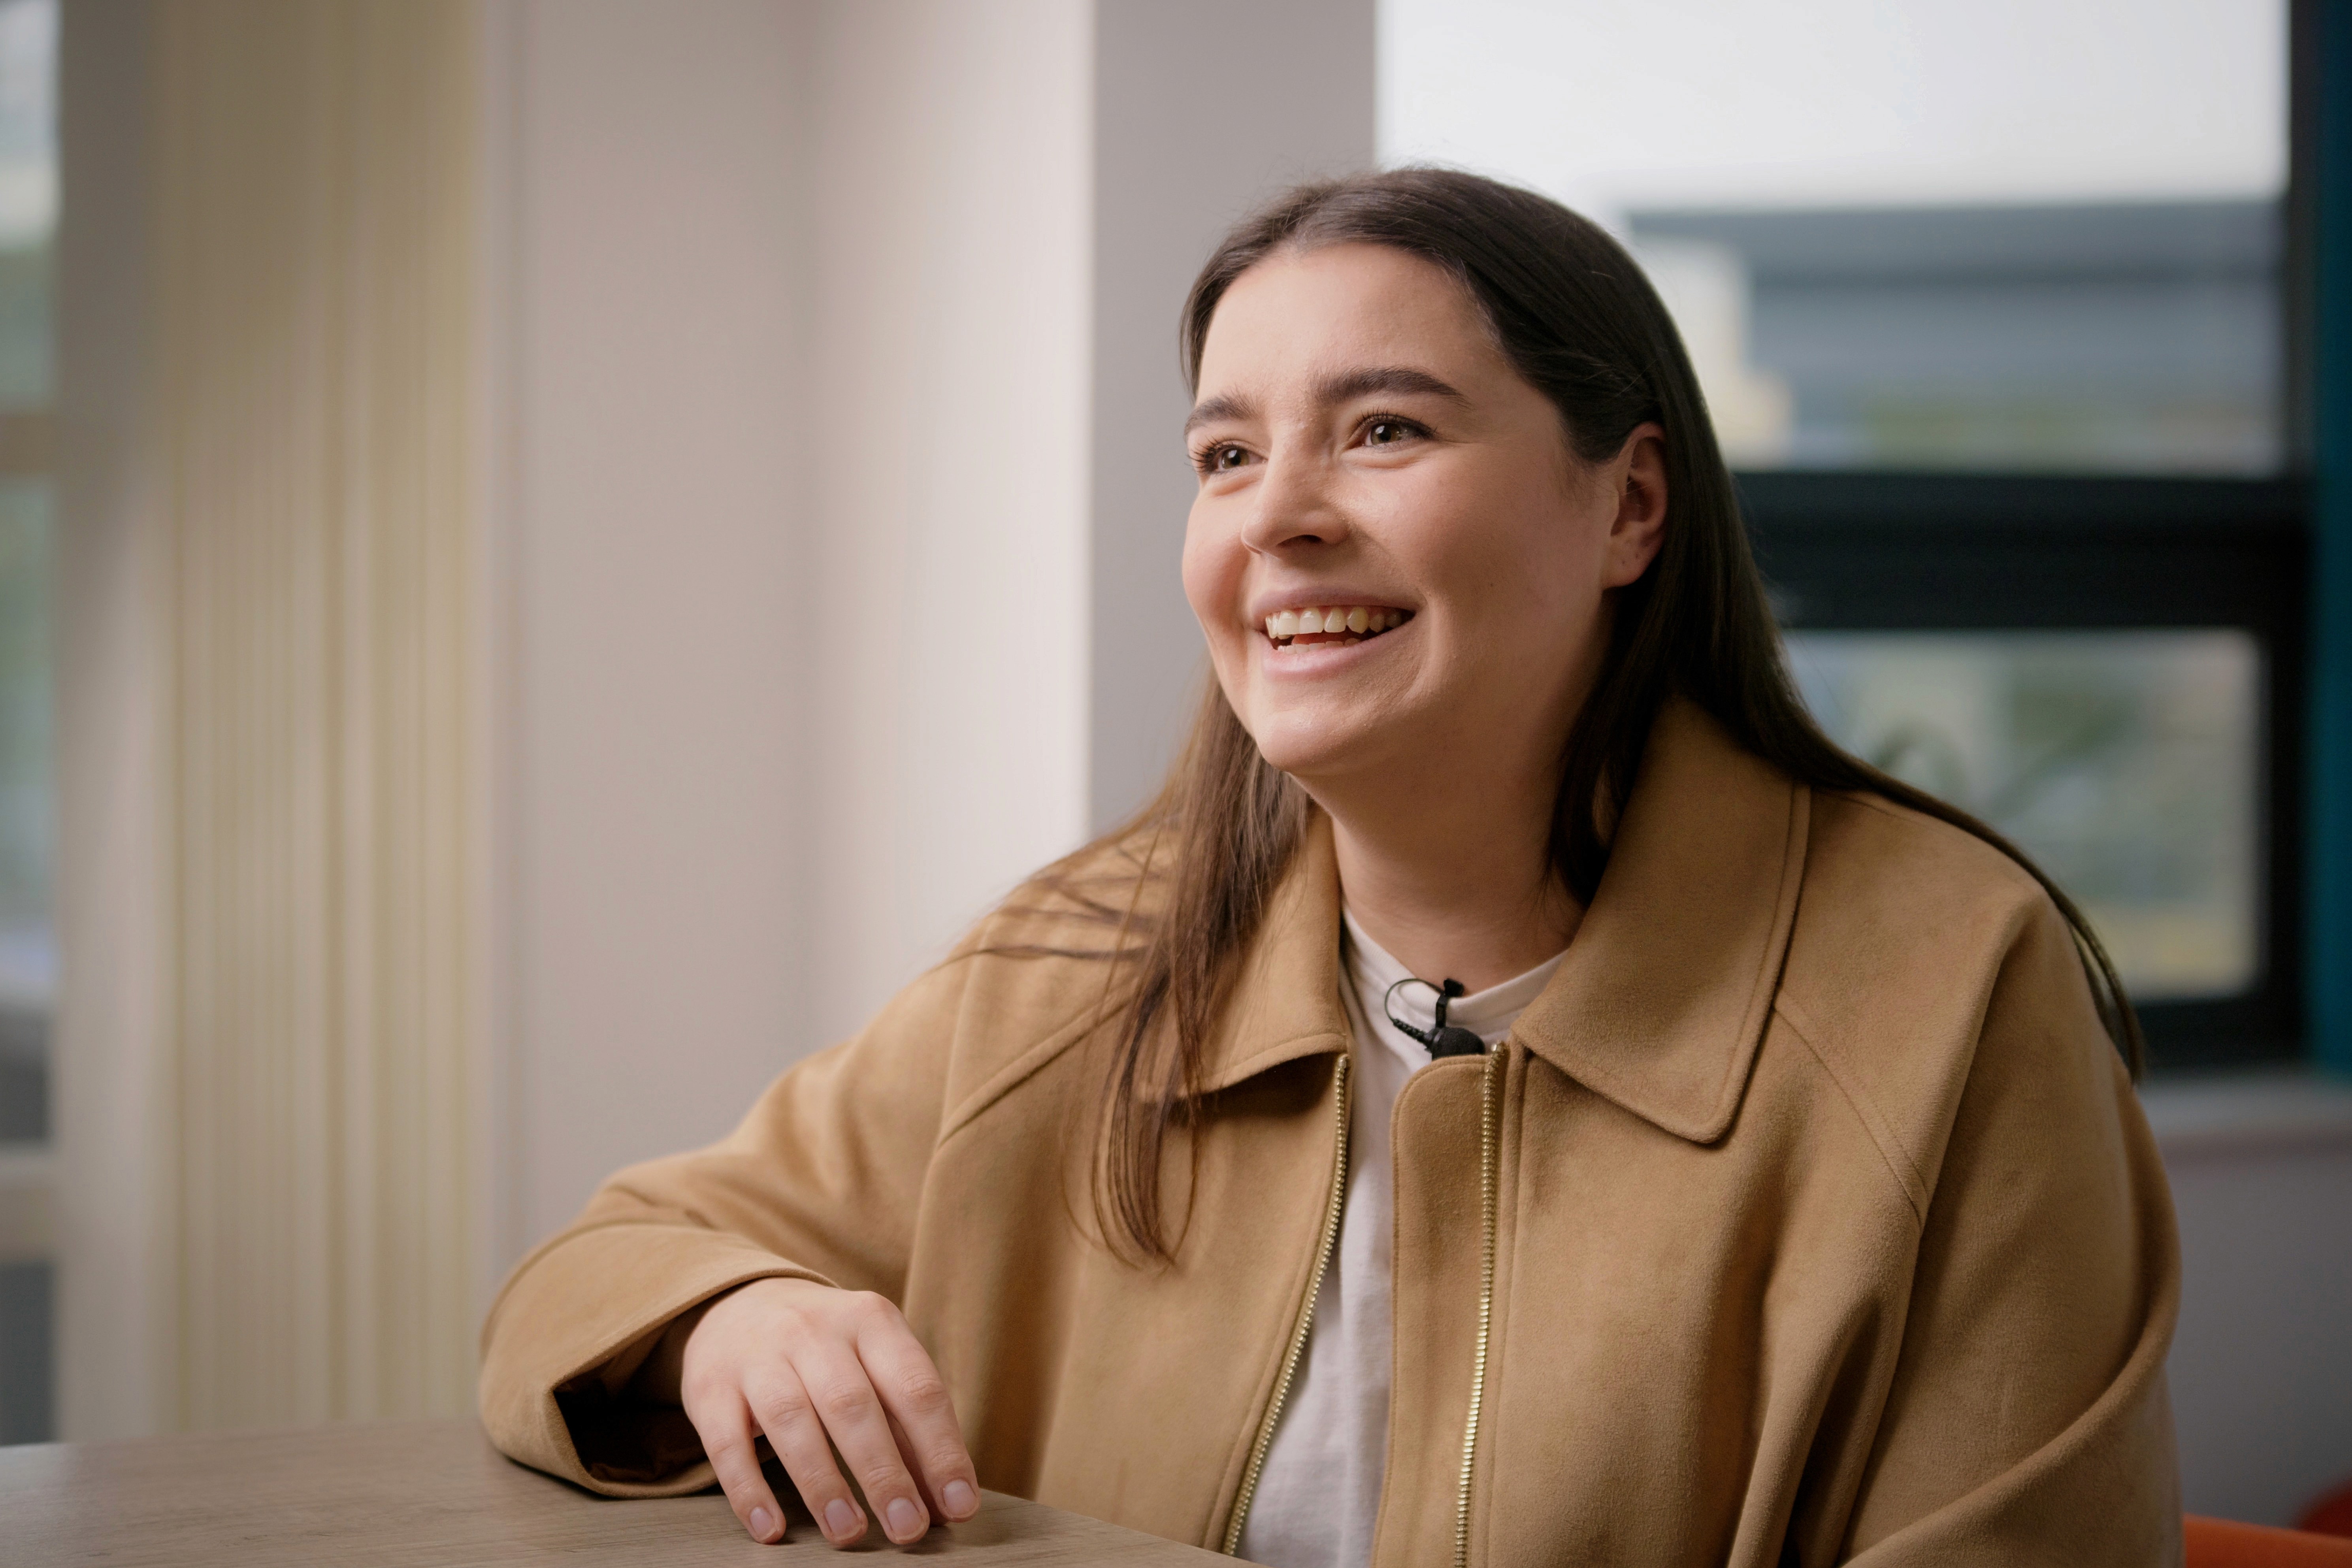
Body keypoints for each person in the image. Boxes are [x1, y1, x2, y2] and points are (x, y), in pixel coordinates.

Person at [479, 170, 2182, 1566]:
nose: (1277, 514)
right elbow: (594, 1273)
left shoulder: (1954, 985)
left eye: (1382, 431)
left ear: (1631, 507)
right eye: (1226, 454)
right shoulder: (1082, 960)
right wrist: (742, 1313)